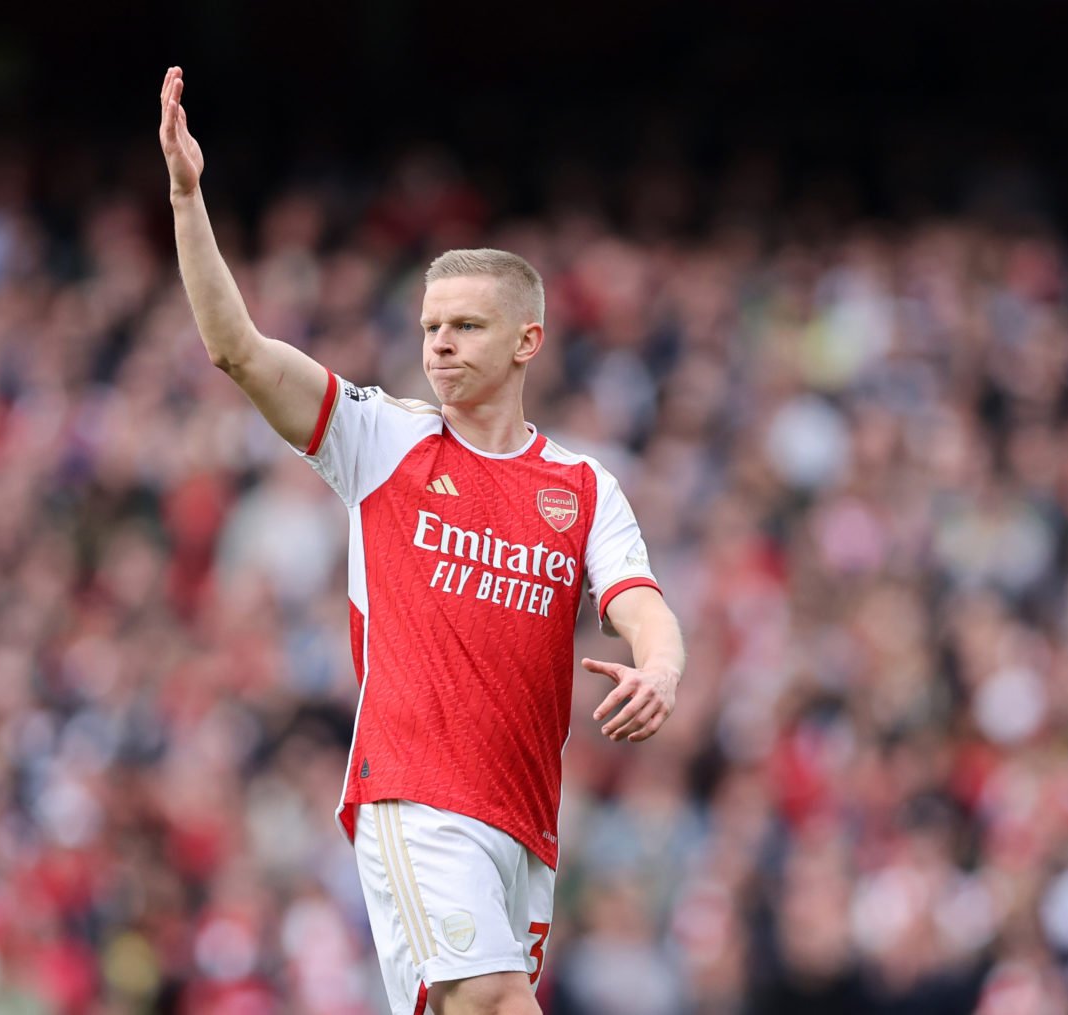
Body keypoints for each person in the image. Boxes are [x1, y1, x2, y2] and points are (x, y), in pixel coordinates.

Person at [158, 66, 686, 1015]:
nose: (439, 345)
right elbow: (237, 347)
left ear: (527, 341)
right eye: (430, 327)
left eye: (466, 326)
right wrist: (189, 199)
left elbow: (642, 605)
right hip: (416, 792)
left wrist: (661, 667)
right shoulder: (383, 440)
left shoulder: (580, 485)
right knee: (490, 1001)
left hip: (524, 819)